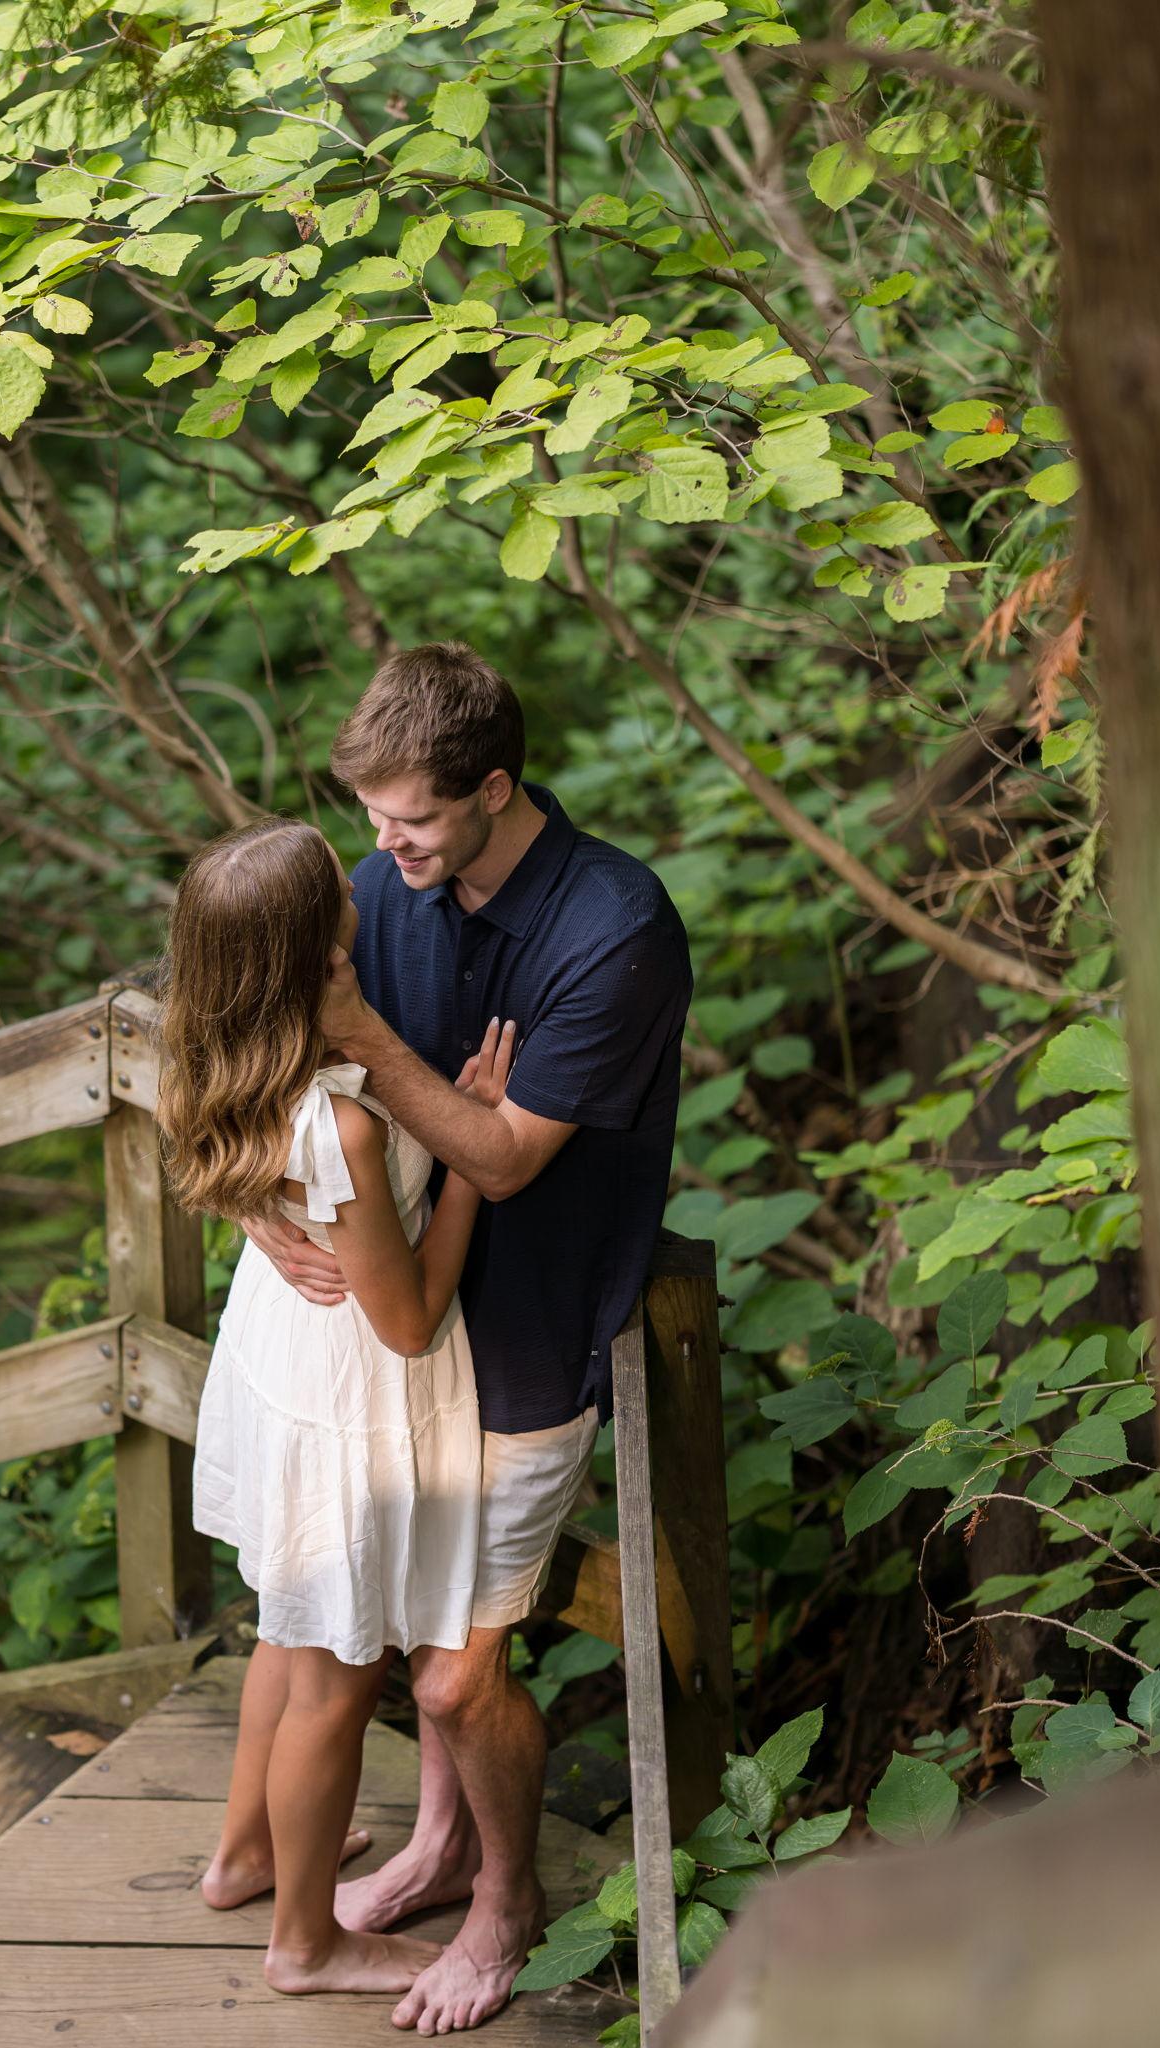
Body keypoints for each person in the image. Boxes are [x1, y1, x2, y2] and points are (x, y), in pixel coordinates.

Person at [246, 641, 693, 2034]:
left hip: (526, 1334)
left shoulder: (610, 930)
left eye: (414, 820)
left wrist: (369, 1038)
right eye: (374, 820)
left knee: (455, 1670)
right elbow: (264, 1047)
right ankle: (440, 1847)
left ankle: (508, 1908)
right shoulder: (391, 882)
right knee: (403, 1633)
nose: (383, 851)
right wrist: (255, 1194)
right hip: (395, 1327)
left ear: (496, 787)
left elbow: (501, 1161)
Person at [155, 814, 518, 1998]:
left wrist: (268, 1210)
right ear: (318, 944)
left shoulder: (213, 1049)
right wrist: (462, 1164)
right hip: (343, 1392)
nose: (361, 888)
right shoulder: (344, 1122)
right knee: (333, 1677)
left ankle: (242, 1854)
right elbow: (406, 1317)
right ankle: (307, 1940)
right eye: (337, 891)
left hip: (278, 1353)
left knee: (285, 1623)